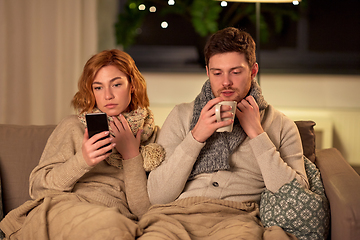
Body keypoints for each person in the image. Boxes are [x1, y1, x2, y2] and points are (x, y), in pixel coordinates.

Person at [137, 27, 309, 239]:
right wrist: (196, 137)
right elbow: (158, 195)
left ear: (253, 71)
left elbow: (295, 195)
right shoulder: (182, 115)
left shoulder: (281, 125)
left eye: (235, 72)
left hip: (237, 219)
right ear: (208, 72)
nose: (225, 82)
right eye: (217, 73)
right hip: (175, 216)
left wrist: (257, 134)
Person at [0, 49, 164, 240]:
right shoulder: (73, 126)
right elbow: (37, 188)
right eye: (98, 87)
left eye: (116, 84)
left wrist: (131, 156)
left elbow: (144, 211)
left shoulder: (151, 137)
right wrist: (83, 160)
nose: (108, 95)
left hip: (115, 219)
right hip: (65, 209)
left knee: (112, 227)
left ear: (132, 85)